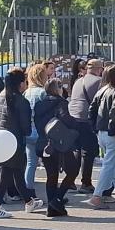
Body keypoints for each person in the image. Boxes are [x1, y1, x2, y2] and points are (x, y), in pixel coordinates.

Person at [0, 68, 42, 219]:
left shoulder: (2, 95)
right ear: (21, 84)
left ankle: (29, 202)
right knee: (6, 174)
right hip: (15, 141)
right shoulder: (21, 101)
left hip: (0, 138)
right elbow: (26, 129)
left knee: (16, 172)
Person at [33, 79, 82, 217]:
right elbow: (66, 119)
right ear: (58, 89)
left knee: (51, 176)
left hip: (43, 143)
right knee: (73, 171)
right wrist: (77, 125)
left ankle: (51, 208)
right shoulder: (61, 103)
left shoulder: (39, 105)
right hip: (60, 144)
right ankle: (57, 199)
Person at [84, 65, 115, 209]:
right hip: (113, 132)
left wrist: (95, 129)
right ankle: (97, 195)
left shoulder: (101, 90)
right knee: (110, 165)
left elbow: (91, 111)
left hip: (101, 132)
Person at [69, 58, 103, 193]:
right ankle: (86, 183)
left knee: (77, 150)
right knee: (88, 152)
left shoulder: (78, 81)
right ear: (98, 69)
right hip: (85, 119)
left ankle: (70, 180)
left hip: (73, 117)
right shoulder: (98, 81)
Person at [23, 64, 48, 191]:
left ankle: (28, 190)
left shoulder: (26, 93)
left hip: (28, 131)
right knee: (49, 164)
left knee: (30, 163)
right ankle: (51, 192)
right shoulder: (43, 93)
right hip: (41, 132)